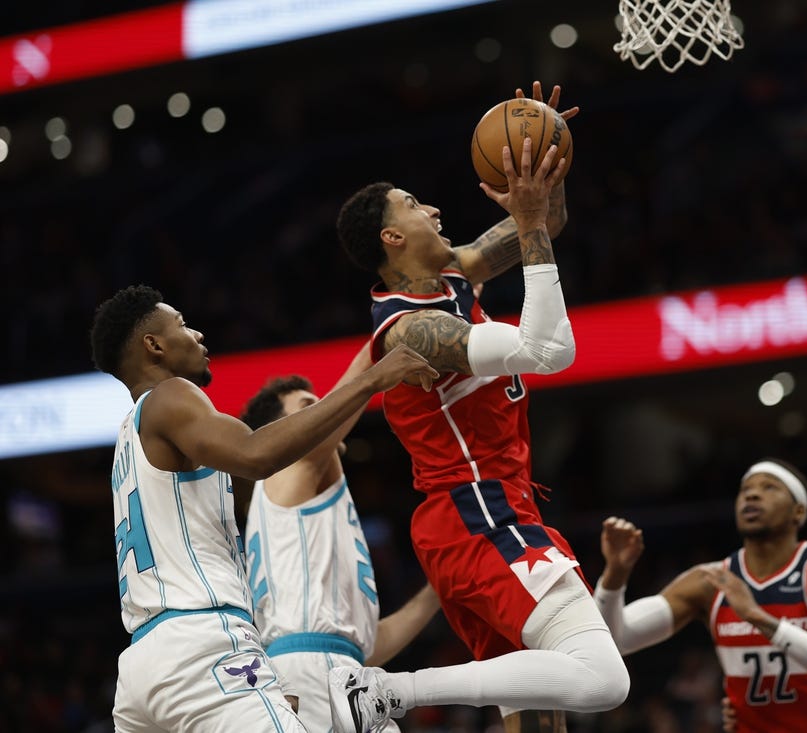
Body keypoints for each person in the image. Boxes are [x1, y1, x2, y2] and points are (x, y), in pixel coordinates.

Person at [327, 82, 630, 733]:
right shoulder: (413, 332)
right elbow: (548, 349)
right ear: (392, 238)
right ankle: (389, 691)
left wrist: (542, 157)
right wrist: (528, 223)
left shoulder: (457, 274)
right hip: (477, 514)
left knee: (542, 720)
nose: (433, 208)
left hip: (476, 517)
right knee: (603, 677)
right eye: (413, 205)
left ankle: (390, 692)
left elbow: (545, 225)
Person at [91, 284, 438, 731]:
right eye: (181, 324)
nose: (198, 335)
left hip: (142, 669)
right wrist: (372, 379)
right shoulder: (172, 396)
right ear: (153, 345)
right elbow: (256, 455)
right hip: (202, 645)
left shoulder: (126, 441)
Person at [240, 343, 441, 732]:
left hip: (344, 670)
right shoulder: (285, 472)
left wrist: (438, 590)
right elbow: (320, 436)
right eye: (308, 407)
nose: (324, 410)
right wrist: (379, 345)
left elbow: (363, 645)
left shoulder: (308, 506)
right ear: (282, 434)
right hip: (305, 674)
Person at [596, 459, 807, 733]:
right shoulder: (710, 580)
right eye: (746, 489)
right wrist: (615, 576)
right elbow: (615, 641)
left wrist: (759, 618)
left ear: (798, 512)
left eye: (769, 488)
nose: (752, 494)